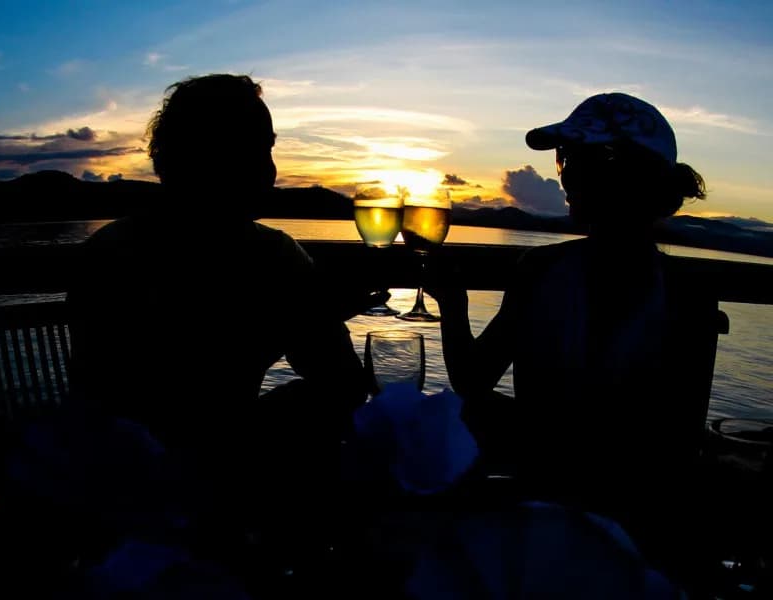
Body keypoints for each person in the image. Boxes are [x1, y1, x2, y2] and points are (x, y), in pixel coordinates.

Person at [65, 74, 368, 561]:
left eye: (268, 148)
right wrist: (308, 314)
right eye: (251, 149)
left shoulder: (109, 248)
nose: (269, 170)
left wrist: (312, 313)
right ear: (200, 157)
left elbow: (341, 384)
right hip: (174, 508)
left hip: (144, 499)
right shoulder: (266, 259)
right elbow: (344, 386)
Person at [429, 92, 717, 587]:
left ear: (625, 177)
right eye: (565, 162)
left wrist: (452, 307)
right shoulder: (685, 294)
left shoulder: (544, 272)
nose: (563, 176)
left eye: (572, 161)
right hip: (630, 530)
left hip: (572, 524)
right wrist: (454, 304)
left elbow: (473, 382)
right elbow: (676, 445)